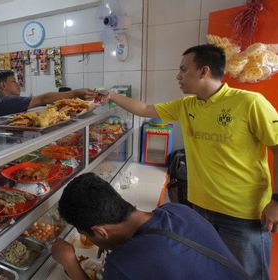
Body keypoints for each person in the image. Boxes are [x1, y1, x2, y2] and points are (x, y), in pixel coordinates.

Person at [100, 44, 278, 279]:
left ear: (204, 71)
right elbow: (144, 109)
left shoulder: (250, 103)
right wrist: (110, 95)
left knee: (248, 274)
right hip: (199, 212)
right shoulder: (187, 106)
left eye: (183, 69)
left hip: (242, 215)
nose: (178, 76)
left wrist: (276, 200)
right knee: (207, 272)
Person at [52, 173, 246, 280]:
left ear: (100, 231)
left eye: (87, 234)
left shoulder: (123, 265)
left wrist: (70, 262)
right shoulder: (178, 211)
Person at [0, 70, 96, 119]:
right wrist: (76, 93)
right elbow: (43, 99)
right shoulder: (7, 101)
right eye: (13, 81)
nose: (18, 84)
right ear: (3, 85)